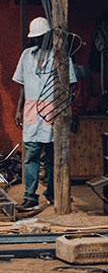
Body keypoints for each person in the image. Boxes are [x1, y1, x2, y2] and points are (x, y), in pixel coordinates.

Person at [13, 17, 77, 211]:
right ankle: (30, 196)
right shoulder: (26, 55)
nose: (38, 41)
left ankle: (51, 193)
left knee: (52, 155)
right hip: (31, 111)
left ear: (49, 36)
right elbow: (22, 85)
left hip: (53, 110)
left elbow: (70, 86)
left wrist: (68, 112)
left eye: (41, 37)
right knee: (31, 154)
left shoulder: (61, 56)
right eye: (36, 38)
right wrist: (18, 109)